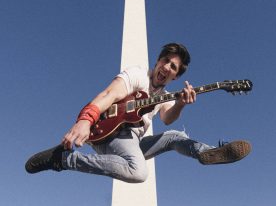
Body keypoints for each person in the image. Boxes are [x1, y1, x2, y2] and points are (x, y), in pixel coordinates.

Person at [25, 43, 251, 181]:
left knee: (175, 137)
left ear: (176, 77)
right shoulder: (137, 74)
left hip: (132, 141)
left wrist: (181, 103)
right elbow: (109, 95)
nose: (166, 68)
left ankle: (207, 153)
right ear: (158, 59)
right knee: (139, 172)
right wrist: (85, 120)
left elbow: (166, 117)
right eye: (166, 61)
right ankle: (65, 160)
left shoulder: (164, 94)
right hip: (110, 133)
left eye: (173, 68)